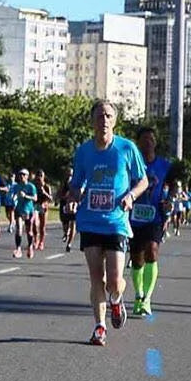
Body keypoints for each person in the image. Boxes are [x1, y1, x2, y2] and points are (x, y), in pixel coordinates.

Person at [67, 100, 148, 346]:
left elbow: (142, 180)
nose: (104, 120)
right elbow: (76, 184)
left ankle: (116, 300)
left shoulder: (126, 148)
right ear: (92, 121)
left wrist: (131, 196)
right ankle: (100, 327)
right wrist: (73, 197)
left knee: (114, 280)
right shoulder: (83, 151)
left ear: (115, 120)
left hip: (116, 222)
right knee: (96, 277)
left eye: (108, 116)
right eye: (100, 116)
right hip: (90, 221)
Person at [128, 127, 173, 317]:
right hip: (134, 216)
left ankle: (147, 298)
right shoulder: (131, 163)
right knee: (137, 258)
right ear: (138, 143)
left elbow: (172, 186)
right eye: (144, 139)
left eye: (151, 139)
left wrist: (170, 199)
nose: (148, 142)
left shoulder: (164, 165)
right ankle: (138, 295)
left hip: (155, 215)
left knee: (152, 250)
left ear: (155, 142)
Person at [10, 168, 37, 258]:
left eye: (24, 175)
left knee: (29, 231)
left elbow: (35, 198)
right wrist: (14, 198)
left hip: (28, 210)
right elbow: (13, 194)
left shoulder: (31, 186)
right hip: (19, 209)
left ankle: (30, 246)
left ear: (27, 176)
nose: (22, 176)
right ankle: (18, 249)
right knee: (19, 229)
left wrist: (26, 196)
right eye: (20, 174)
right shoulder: (17, 186)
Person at [56, 166, 77, 252]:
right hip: (64, 204)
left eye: (71, 174)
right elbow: (59, 192)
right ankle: (65, 233)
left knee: (73, 223)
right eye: (68, 174)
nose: (69, 176)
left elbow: (79, 193)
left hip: (73, 204)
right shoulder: (63, 183)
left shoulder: (76, 183)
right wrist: (58, 199)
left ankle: (69, 243)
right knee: (65, 223)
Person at [32, 169, 53, 250]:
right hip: (35, 206)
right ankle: (35, 240)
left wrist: (44, 192)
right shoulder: (34, 186)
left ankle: (41, 241)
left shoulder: (47, 187)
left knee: (42, 226)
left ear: (44, 177)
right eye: (38, 176)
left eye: (41, 176)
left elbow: (51, 199)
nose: (39, 178)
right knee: (34, 223)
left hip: (44, 206)